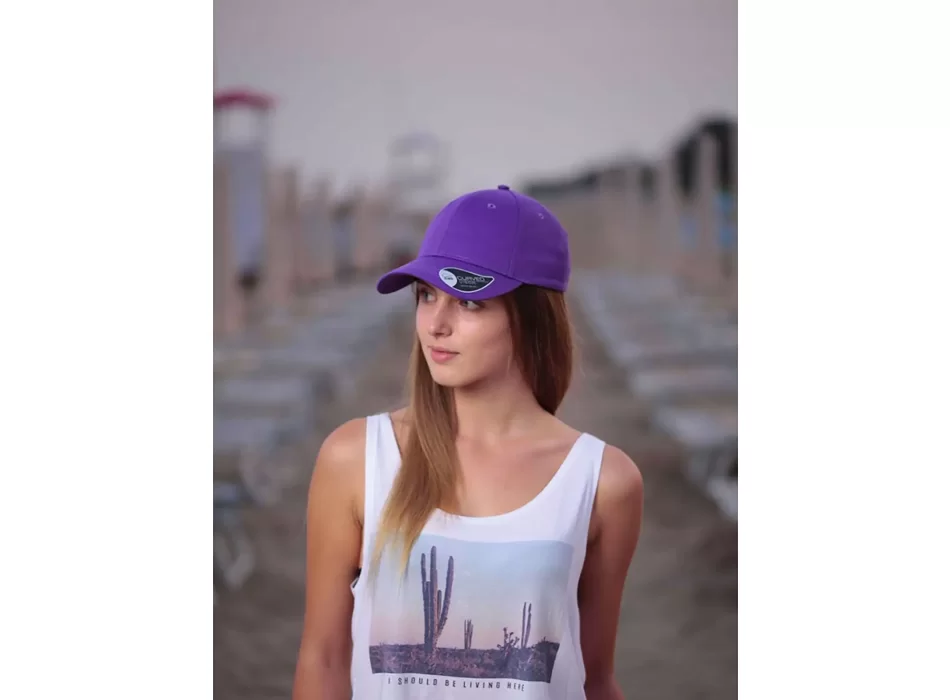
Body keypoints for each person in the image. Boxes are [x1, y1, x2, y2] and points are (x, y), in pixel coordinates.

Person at [293, 185, 644, 699]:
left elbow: (594, 678)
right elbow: (322, 659)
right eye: (426, 295)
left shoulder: (603, 481)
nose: (436, 325)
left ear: (531, 314)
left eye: (468, 302)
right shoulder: (356, 458)